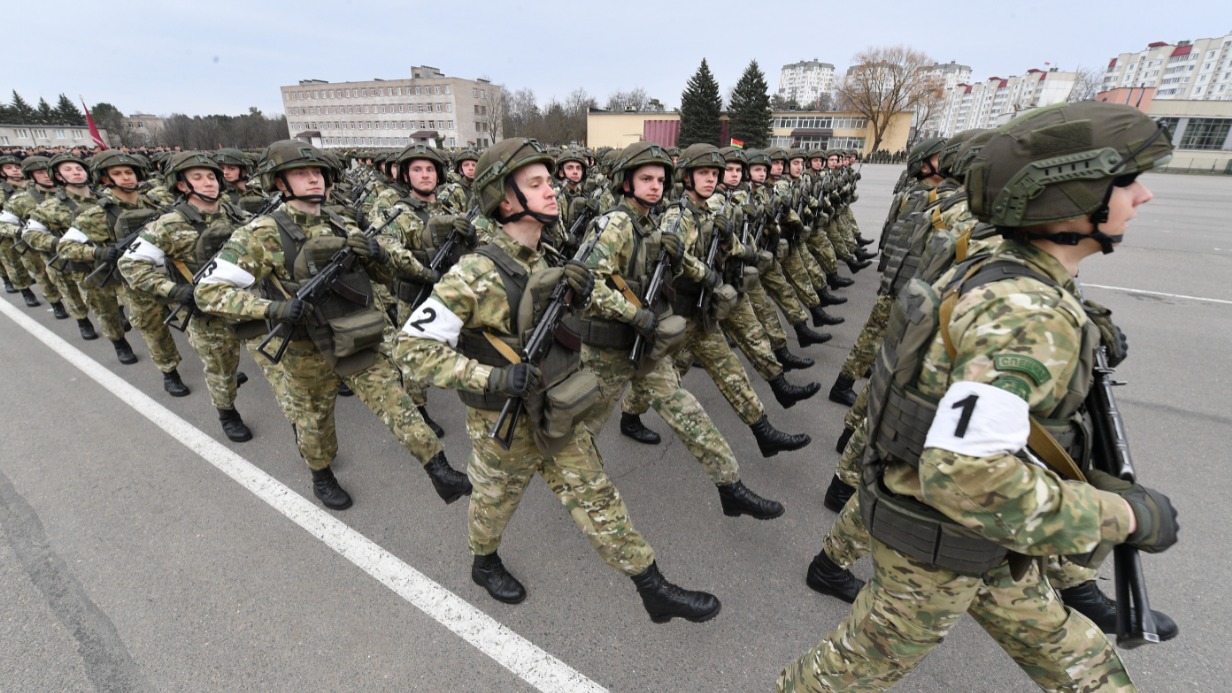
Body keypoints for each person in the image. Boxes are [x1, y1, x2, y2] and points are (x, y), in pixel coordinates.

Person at [778, 101, 1180, 691]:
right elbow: (968, 477)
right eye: (1124, 183)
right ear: (1071, 199)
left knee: (1082, 663)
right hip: (942, 543)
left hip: (972, 535)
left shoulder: (999, 267)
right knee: (847, 674)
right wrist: (1121, 516)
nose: (1142, 197)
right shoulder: (1022, 311)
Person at [394, 137, 720, 623]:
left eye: (549, 182)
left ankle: (653, 587)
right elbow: (410, 349)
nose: (551, 191)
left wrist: (589, 295)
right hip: (501, 422)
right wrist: (492, 377)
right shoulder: (474, 273)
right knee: (492, 504)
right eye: (536, 184)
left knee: (598, 495)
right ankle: (483, 562)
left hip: (554, 407)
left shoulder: (543, 259)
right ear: (505, 201)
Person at [195, 140, 470, 510]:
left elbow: (382, 279)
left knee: (395, 399)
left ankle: (439, 468)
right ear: (281, 183)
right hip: (305, 348)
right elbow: (208, 292)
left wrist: (376, 255)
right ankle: (321, 473)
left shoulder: (340, 222)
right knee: (314, 418)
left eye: (316, 173)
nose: (313, 180)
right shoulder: (262, 232)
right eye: (301, 174)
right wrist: (272, 308)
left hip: (355, 332)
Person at [575, 140, 784, 520]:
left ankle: (730, 485)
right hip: (607, 352)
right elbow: (585, 287)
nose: (655, 186)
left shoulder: (651, 223)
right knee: (580, 435)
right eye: (645, 179)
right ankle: (583, 498)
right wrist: (632, 313)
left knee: (687, 410)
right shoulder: (615, 224)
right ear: (626, 182)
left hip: (645, 343)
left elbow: (665, 269)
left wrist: (689, 267)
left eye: (659, 179)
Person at [118, 152, 255, 441]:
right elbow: (130, 264)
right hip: (206, 311)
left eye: (210, 176)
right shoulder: (169, 223)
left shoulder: (231, 212)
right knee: (219, 365)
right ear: (181, 185)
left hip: (246, 301)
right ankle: (227, 412)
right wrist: (176, 291)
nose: (208, 183)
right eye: (197, 178)